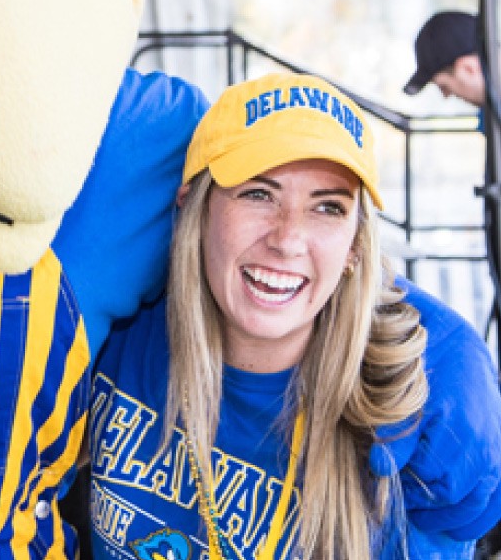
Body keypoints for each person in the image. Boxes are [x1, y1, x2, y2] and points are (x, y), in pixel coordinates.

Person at [87, 72, 501, 560]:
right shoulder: (118, 330)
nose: (287, 239)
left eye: (327, 207)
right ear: (195, 208)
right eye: (258, 194)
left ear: (353, 246)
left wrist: (455, 350)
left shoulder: (415, 407)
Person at [404, 9, 484, 107]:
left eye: (444, 86)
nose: (445, 96)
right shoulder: (491, 114)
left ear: (468, 68)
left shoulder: (493, 116)